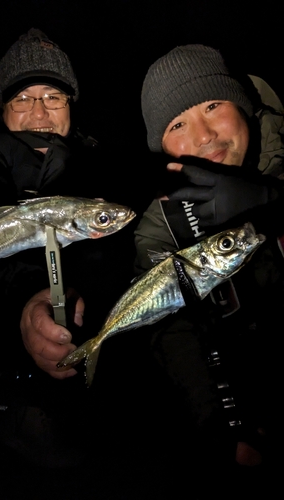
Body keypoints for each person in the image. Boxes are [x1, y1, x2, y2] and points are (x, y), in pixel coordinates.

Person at [0, 27, 138, 467]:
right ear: (2, 109)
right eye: (22, 98)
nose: (39, 112)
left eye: (53, 97)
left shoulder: (99, 167)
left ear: (72, 106)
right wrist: (28, 296)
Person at [134, 44, 284, 468]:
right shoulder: (161, 221)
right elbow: (170, 328)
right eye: (178, 124)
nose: (204, 136)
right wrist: (222, 430)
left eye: (213, 105)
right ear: (161, 147)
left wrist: (272, 202)